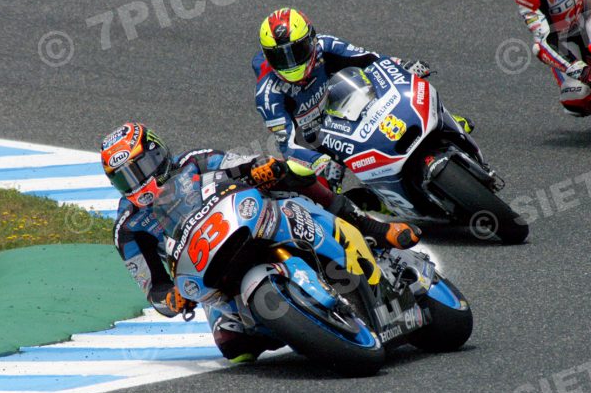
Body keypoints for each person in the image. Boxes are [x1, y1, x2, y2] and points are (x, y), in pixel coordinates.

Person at [101, 123, 420, 363]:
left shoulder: (195, 162)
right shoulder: (128, 228)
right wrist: (170, 299)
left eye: (138, 170)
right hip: (210, 276)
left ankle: (371, 228)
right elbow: (153, 285)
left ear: (156, 153)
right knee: (232, 347)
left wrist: (259, 168)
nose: (136, 184)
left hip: (252, 222)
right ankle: (304, 326)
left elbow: (240, 163)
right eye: (123, 179)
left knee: (291, 170)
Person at [252, 7, 474, 193]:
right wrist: (320, 162)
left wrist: (403, 65)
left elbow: (370, 59)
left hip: (343, 103)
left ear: (311, 40)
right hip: (315, 141)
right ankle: (379, 200)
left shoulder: (325, 45)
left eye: (297, 51)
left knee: (406, 91)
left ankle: (444, 119)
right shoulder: (268, 96)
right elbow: (288, 145)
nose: (291, 64)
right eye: (280, 57)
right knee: (325, 190)